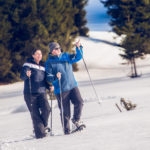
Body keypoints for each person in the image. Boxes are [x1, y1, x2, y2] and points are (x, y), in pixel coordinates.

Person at [45, 41, 84, 135]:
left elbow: (78, 57)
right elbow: (48, 76)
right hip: (61, 90)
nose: (58, 50)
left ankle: (76, 120)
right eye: (56, 49)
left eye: (59, 48)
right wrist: (55, 76)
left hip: (72, 86)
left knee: (79, 102)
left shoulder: (66, 56)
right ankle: (67, 131)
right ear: (52, 51)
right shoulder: (49, 62)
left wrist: (79, 48)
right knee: (65, 112)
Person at [20, 49, 51, 139]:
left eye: (40, 54)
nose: (39, 55)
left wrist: (49, 87)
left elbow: (45, 80)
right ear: (33, 55)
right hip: (30, 93)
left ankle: (41, 127)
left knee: (47, 109)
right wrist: (26, 74)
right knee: (35, 114)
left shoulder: (43, 65)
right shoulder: (27, 64)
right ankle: (40, 134)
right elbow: (22, 76)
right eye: (37, 54)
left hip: (42, 92)